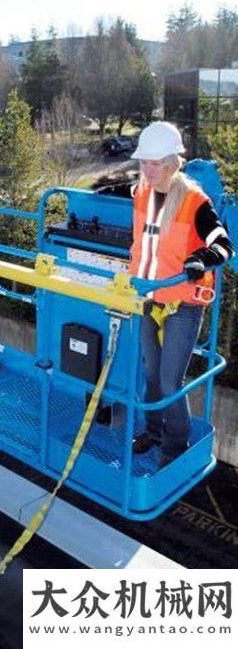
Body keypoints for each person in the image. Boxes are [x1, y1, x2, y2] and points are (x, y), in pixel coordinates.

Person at [128, 122, 233, 469]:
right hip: (147, 298)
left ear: (174, 163)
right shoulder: (141, 192)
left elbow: (223, 243)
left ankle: (174, 447)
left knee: (170, 380)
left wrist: (202, 258)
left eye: (155, 164)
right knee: (150, 373)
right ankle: (153, 432)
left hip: (183, 304)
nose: (148, 170)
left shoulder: (195, 201)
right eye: (144, 163)